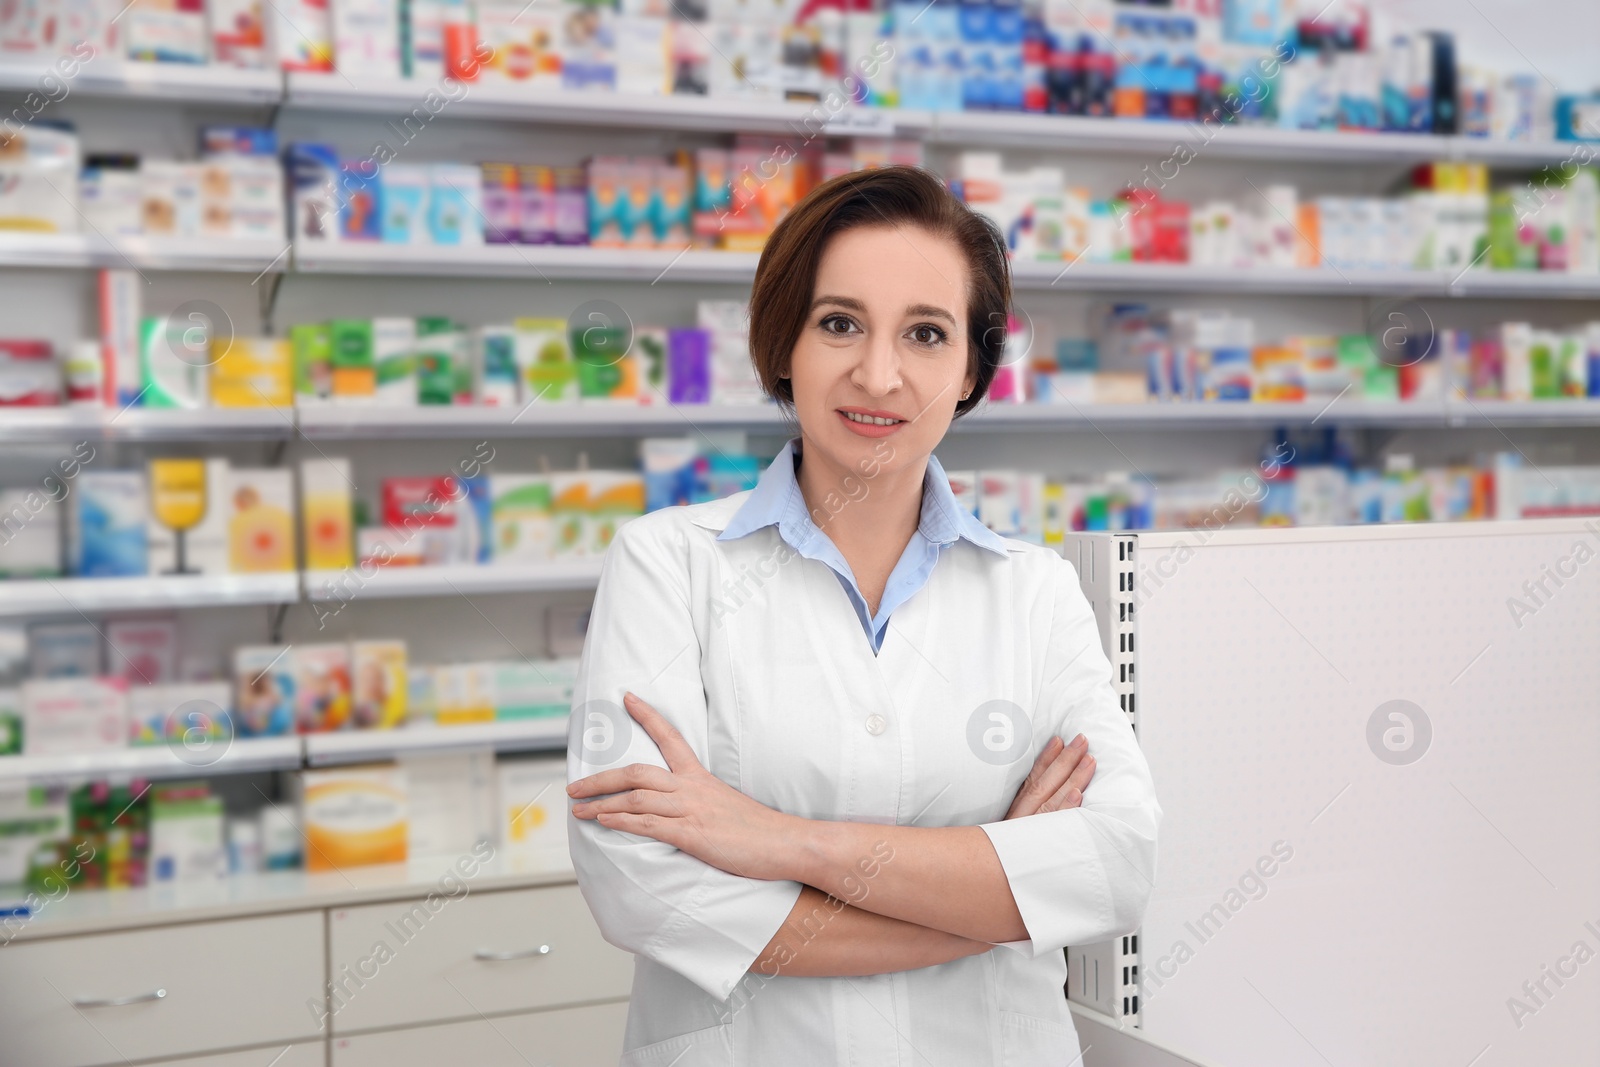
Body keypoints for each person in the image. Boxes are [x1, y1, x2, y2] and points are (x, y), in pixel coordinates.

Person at [566, 164, 1161, 1066]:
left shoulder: (1036, 593)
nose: (878, 374)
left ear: (970, 370)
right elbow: (643, 888)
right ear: (782, 347)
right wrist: (996, 901)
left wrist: (777, 840)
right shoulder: (669, 564)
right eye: (838, 322)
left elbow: (1115, 863)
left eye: (926, 333)